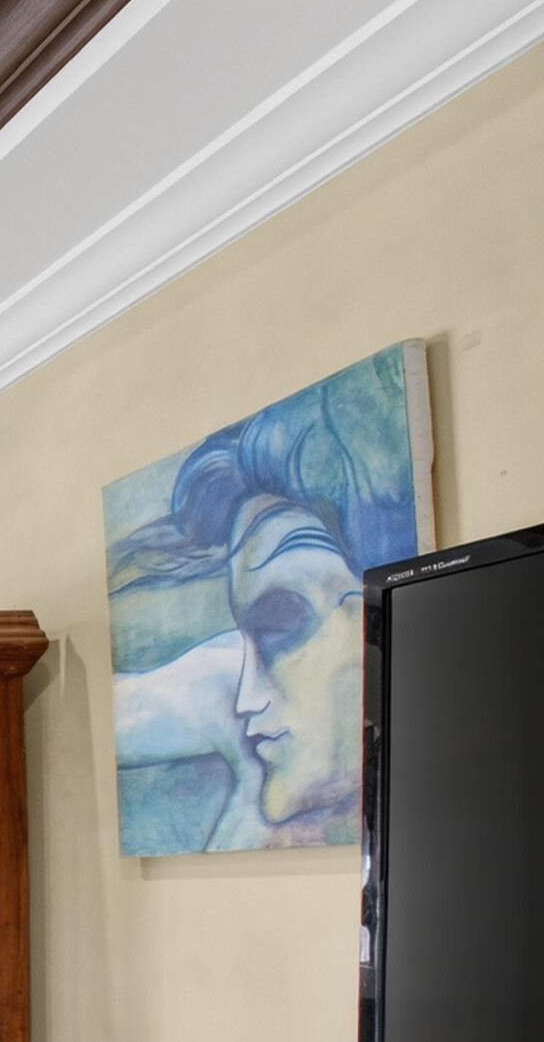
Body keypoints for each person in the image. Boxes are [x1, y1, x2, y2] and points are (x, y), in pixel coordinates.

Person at [107, 354, 424, 852]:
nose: (245, 699)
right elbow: (102, 726)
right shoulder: (222, 688)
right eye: (245, 638)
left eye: (281, 623)